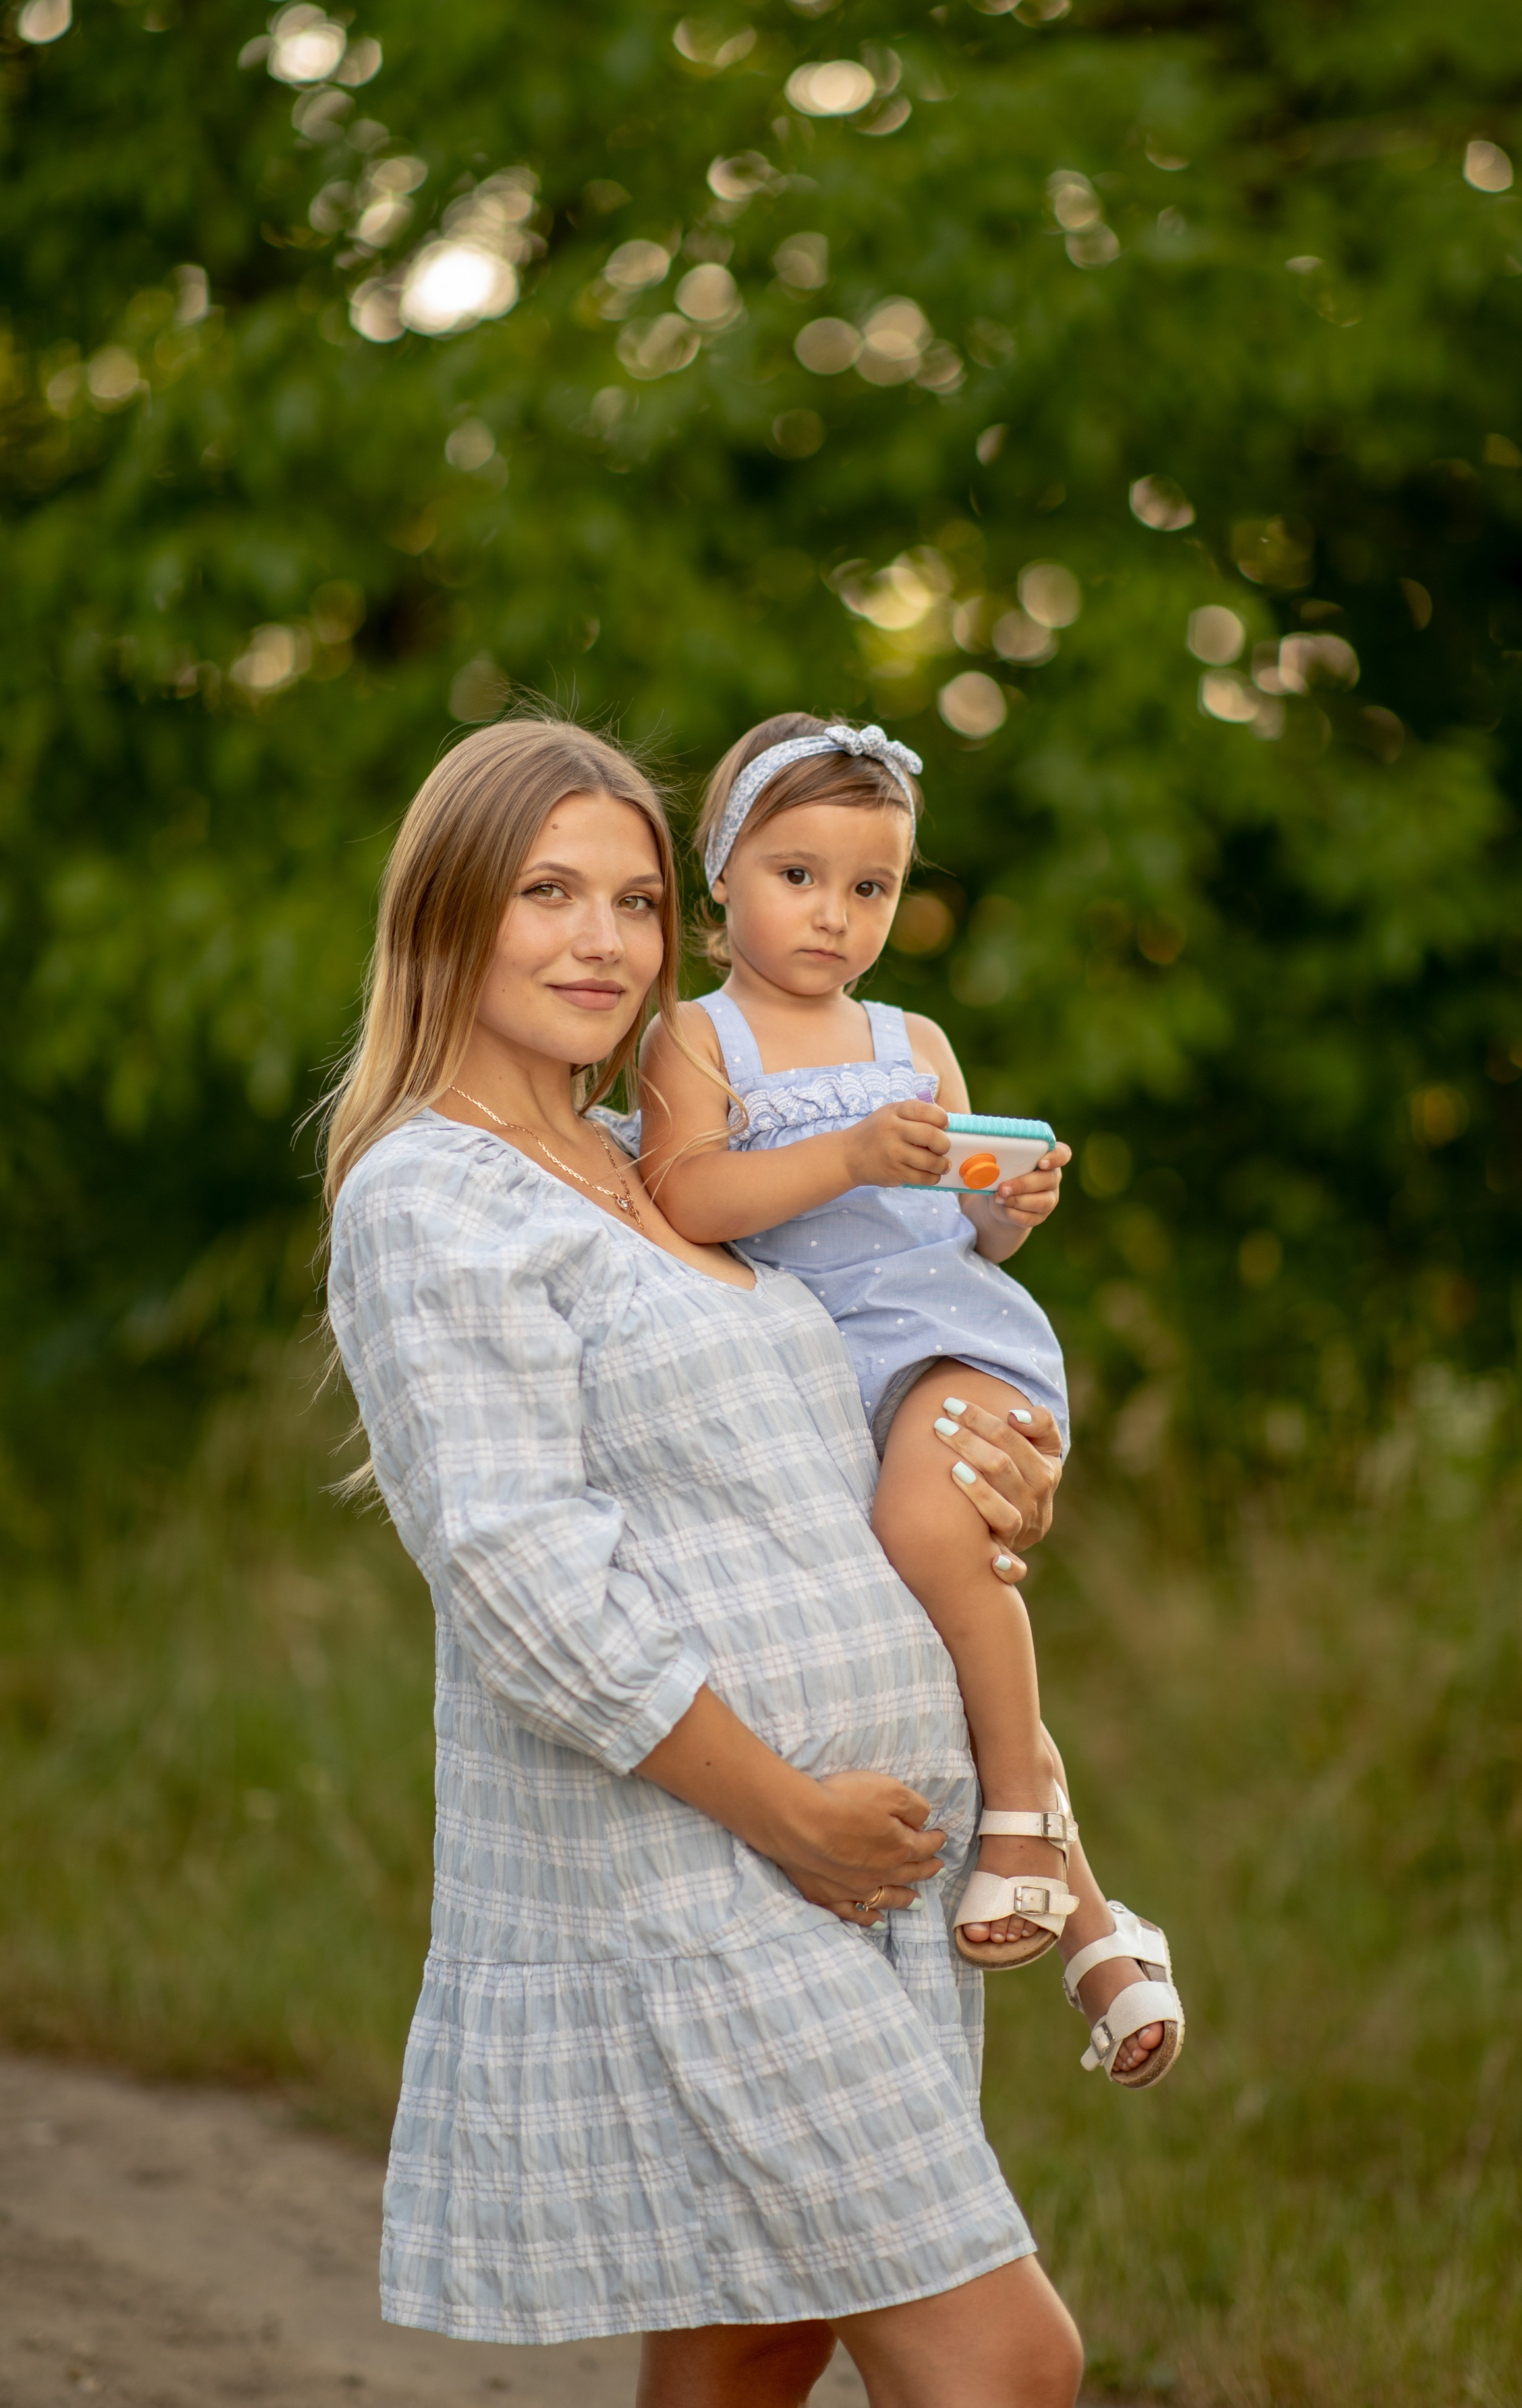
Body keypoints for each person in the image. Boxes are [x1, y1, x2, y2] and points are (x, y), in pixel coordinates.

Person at [320, 711, 1090, 2406]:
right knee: (1003, 2362)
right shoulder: (430, 1199)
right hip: (699, 1865)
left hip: (859, 1858)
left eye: (636, 900)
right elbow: (522, 1579)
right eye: (546, 892)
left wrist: (985, 1476)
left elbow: (819, 1439)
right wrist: (786, 1812)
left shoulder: (643, 1173)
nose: (602, 941)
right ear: (447, 913)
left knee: (760, 2330)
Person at [639, 715, 1182, 2086]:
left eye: (869, 887)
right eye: (797, 876)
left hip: (942, 1341)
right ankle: (1101, 1931)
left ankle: (1014, 1824)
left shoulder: (912, 1037)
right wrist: (842, 1152)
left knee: (940, 1550)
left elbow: (951, 1238)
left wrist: (1013, 1210)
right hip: (834, 1379)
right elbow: (686, 1193)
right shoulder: (693, 1044)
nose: (833, 917)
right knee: (926, 1629)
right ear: (720, 875)